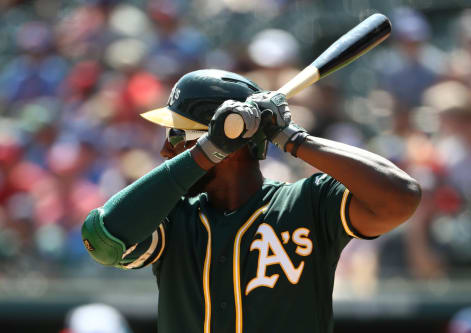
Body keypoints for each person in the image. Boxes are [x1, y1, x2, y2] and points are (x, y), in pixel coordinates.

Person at [81, 69, 421, 333]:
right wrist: (208, 149)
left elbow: (400, 198)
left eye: (175, 135)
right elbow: (103, 239)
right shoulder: (172, 218)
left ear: (233, 144)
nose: (165, 151)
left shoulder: (307, 203)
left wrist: (289, 137)